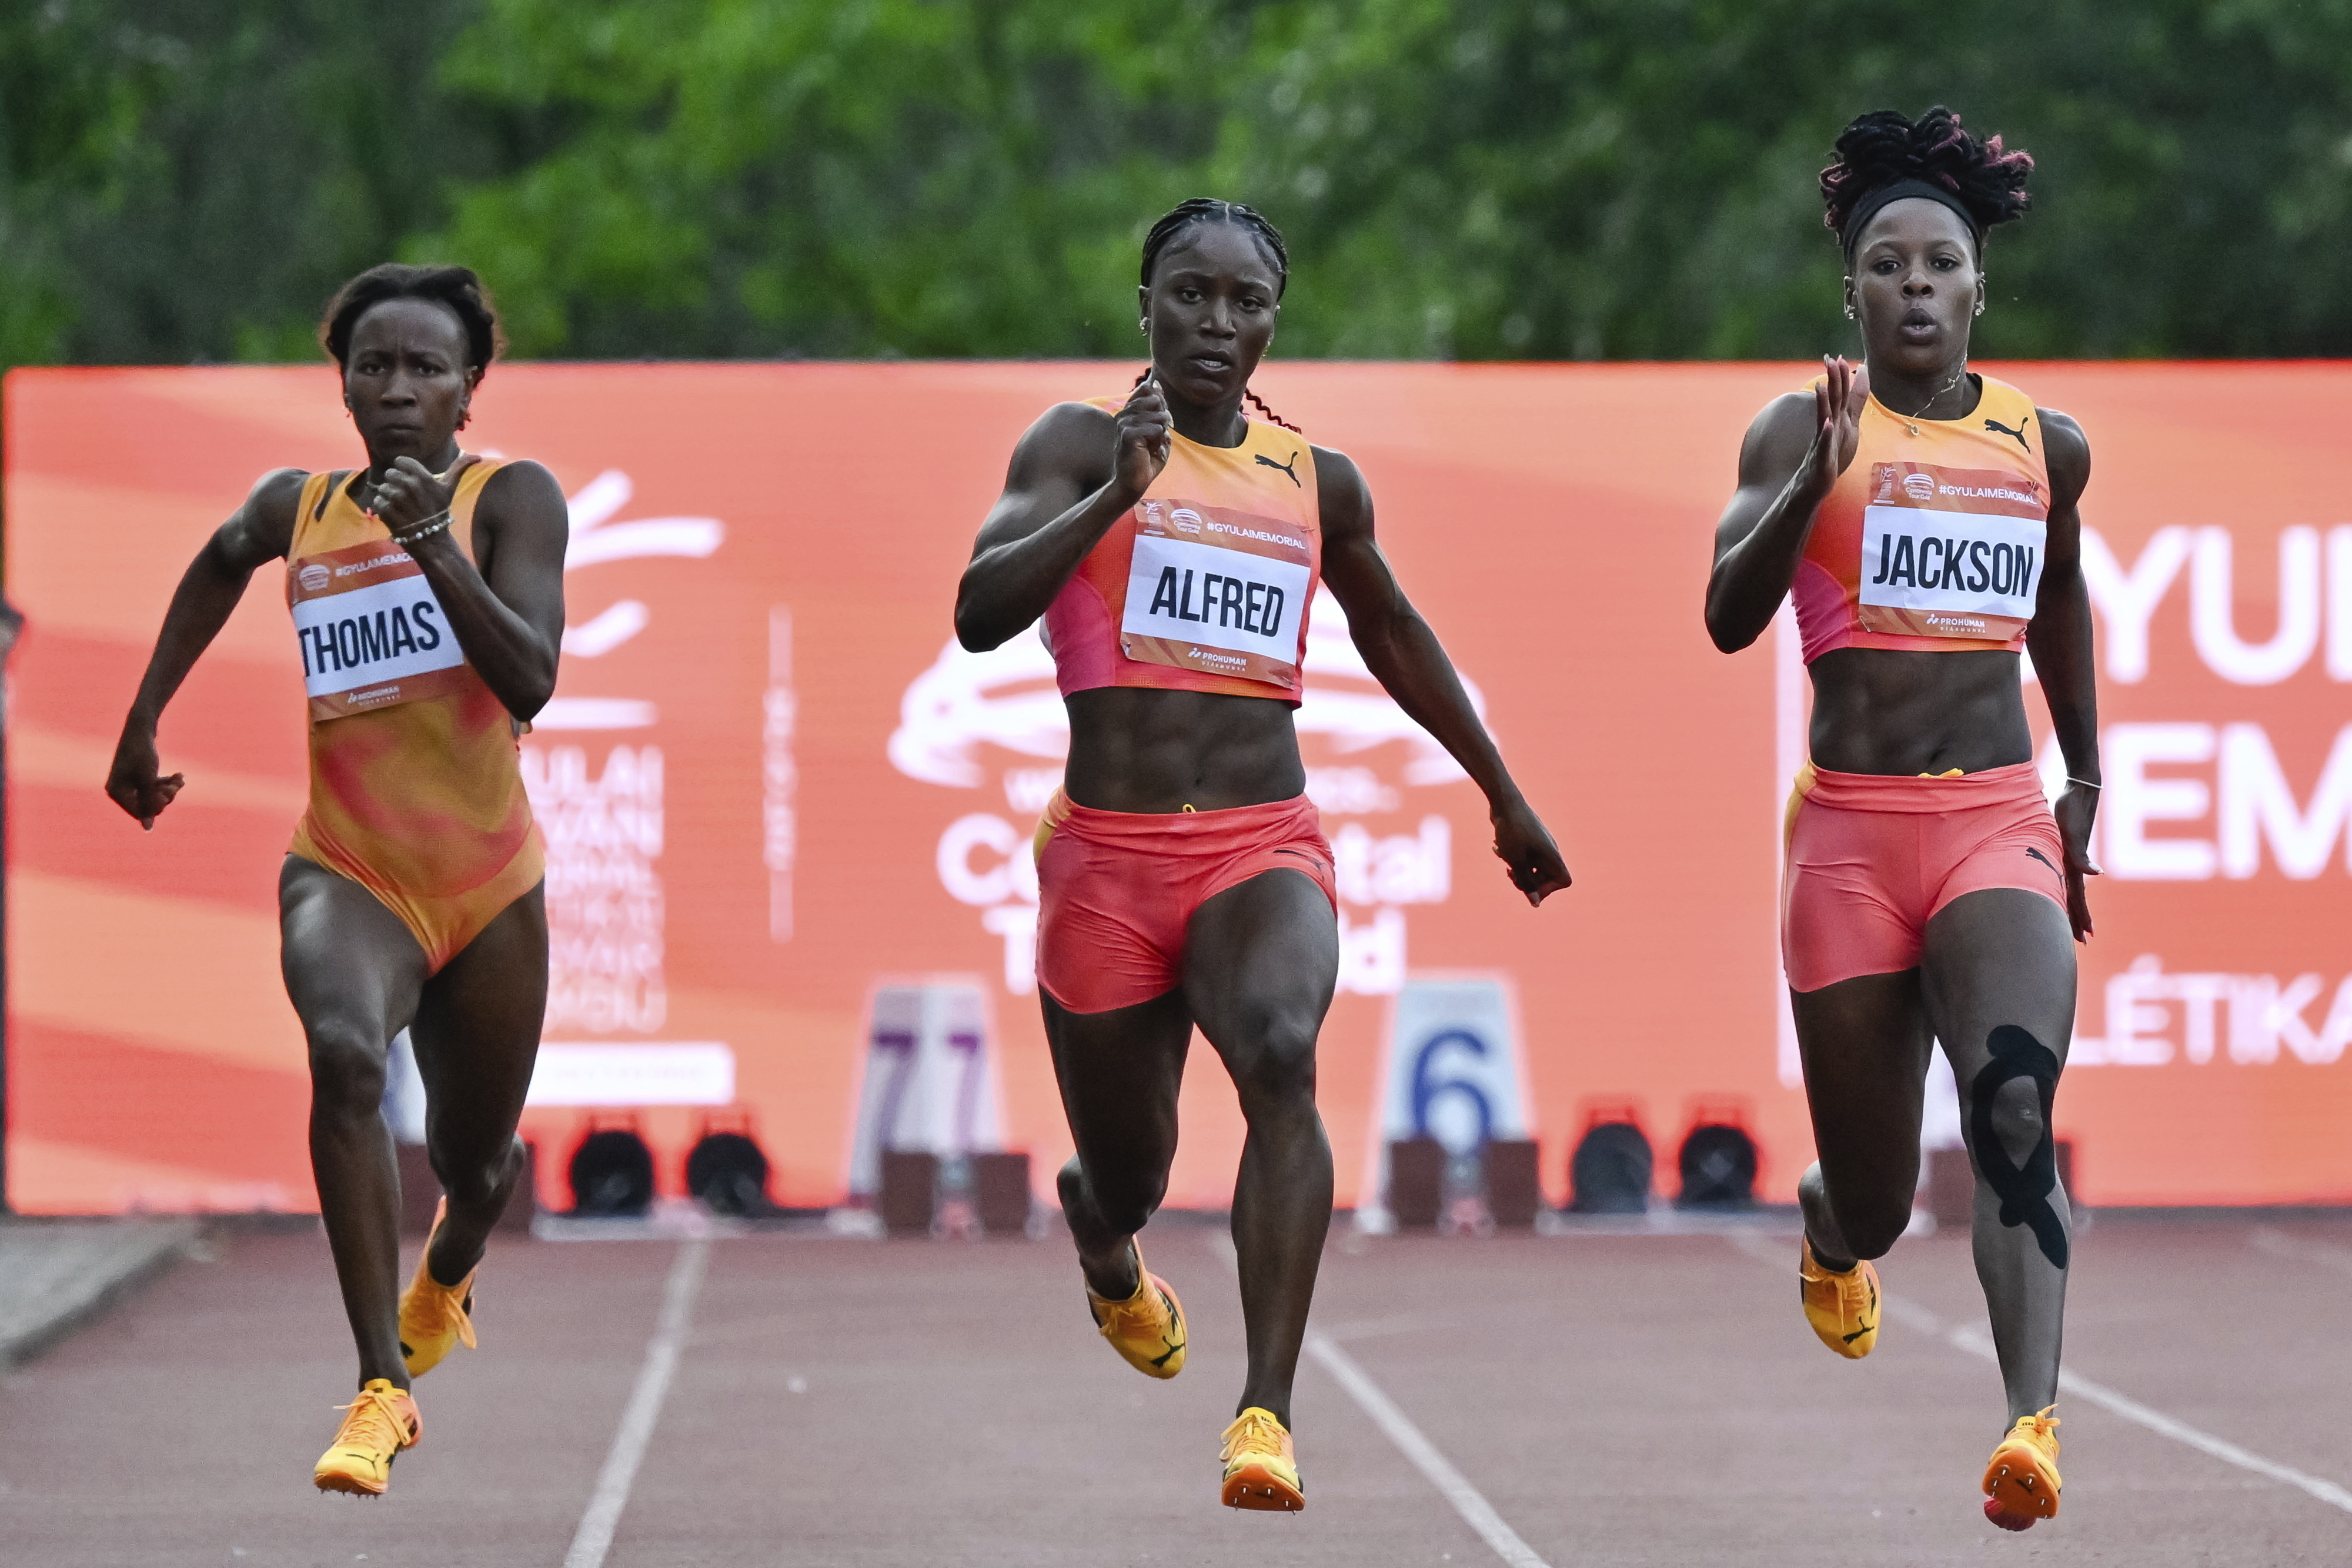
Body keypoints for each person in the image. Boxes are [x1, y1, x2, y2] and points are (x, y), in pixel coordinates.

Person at [955, 198, 1570, 1512]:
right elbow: (977, 611)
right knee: (1130, 1167)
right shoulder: (1074, 444)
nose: (1216, 325)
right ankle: (1102, 1233)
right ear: (1145, 305)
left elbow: (1395, 629)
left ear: (1273, 320)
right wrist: (1110, 500)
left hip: (1256, 842)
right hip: (1105, 863)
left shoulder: (1313, 482)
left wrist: (1501, 792)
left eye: (1244, 302)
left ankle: (1264, 1410)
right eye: (1190, 295)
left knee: (1282, 1056)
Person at [105, 264, 569, 1496]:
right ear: (345, 385)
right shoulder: (297, 506)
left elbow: (530, 679)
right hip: (347, 864)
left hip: (485, 879)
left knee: (477, 1166)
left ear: (469, 389)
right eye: (376, 366)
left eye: (426, 368)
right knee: (349, 1057)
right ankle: (381, 1387)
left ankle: (449, 1266)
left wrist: (431, 545)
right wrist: (144, 717)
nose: (399, 387)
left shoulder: (507, 498)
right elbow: (218, 559)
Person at [1705, 109, 2098, 1530]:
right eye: (1889, 263)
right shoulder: (1795, 427)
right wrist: (1808, 481)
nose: (1916, 285)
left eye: (1941, 261)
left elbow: (2057, 598)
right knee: (1876, 1196)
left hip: (1993, 818)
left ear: (1976, 286)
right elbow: (1723, 618)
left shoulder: (2041, 444)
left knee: (2009, 1105)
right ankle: (1831, 1222)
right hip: (1850, 841)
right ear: (1854, 289)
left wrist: (2082, 785)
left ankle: (2029, 1421)